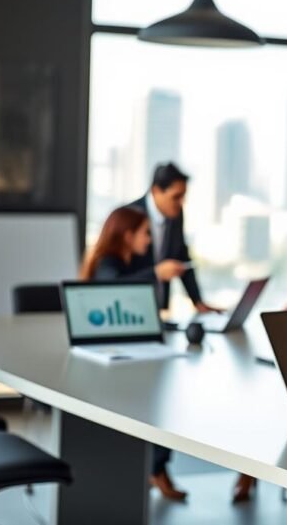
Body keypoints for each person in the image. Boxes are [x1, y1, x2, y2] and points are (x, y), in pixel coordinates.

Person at [79, 206, 190, 502]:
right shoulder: (108, 263)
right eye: (144, 233)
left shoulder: (128, 261)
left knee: (163, 389)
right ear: (127, 235)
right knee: (159, 398)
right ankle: (154, 468)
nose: (150, 240)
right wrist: (155, 272)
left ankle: (156, 467)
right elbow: (115, 292)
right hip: (108, 364)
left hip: (132, 352)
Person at [123, 162, 218, 313]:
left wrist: (198, 301)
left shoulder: (176, 216)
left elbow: (181, 255)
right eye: (176, 197)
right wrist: (157, 273)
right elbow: (117, 277)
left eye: (184, 196)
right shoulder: (128, 216)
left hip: (161, 310)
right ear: (156, 191)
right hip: (132, 309)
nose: (182, 203)